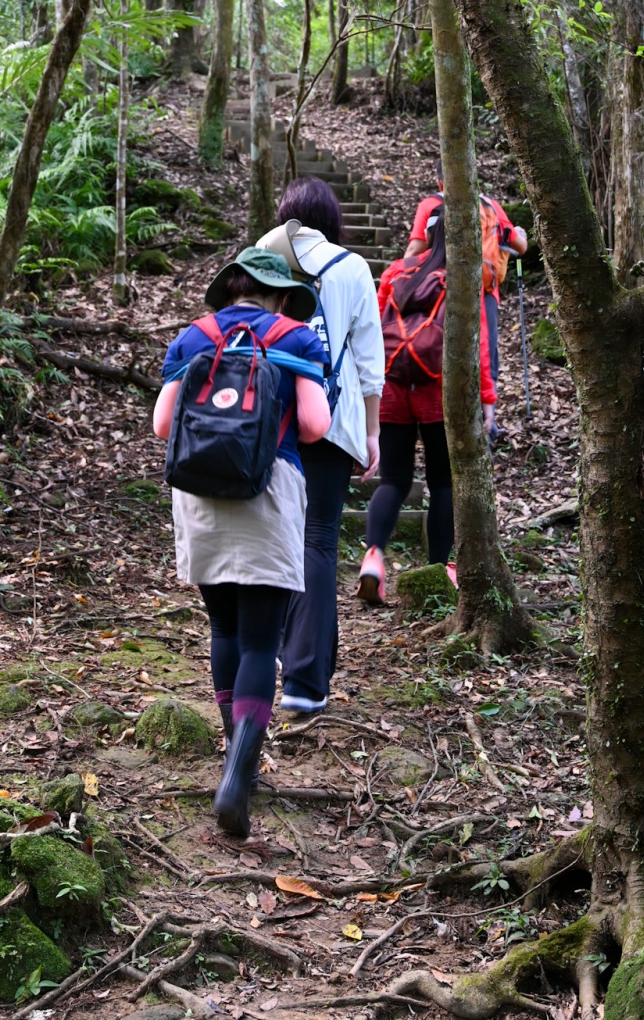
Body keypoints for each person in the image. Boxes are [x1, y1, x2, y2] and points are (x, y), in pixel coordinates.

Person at [153, 247, 330, 837]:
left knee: (224, 629)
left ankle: (234, 752)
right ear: (279, 294)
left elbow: (161, 425)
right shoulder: (297, 338)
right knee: (261, 641)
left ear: (230, 289)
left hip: (200, 491)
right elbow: (314, 427)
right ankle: (239, 771)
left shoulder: (193, 336)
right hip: (268, 489)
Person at [257, 177, 384, 714]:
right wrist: (373, 432)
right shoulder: (353, 266)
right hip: (331, 420)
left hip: (271, 415)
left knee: (282, 536)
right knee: (320, 542)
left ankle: (292, 656)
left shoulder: (264, 251)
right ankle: (308, 681)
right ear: (331, 218)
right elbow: (369, 362)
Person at [357, 212, 496, 603]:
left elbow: (374, 329)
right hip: (438, 390)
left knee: (393, 481)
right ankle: (441, 569)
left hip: (392, 386)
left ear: (429, 236)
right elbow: (479, 343)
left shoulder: (396, 272)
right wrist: (487, 399)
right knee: (443, 483)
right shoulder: (464, 278)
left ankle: (373, 557)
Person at [404, 159, 526, 406]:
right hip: (485, 289)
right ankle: (486, 415)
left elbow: (416, 248)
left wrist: (403, 276)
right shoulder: (490, 206)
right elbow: (520, 247)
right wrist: (521, 234)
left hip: (438, 289)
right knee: (484, 350)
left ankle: (438, 407)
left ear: (440, 180)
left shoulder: (431, 205)